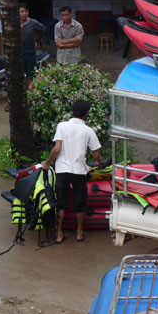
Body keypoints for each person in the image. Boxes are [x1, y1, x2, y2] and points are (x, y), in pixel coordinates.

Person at [41, 100, 103, 243]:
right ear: (86, 113)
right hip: (79, 171)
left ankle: (59, 234)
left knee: (61, 202)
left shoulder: (62, 126)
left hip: (62, 170)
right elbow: (96, 155)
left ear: (73, 111)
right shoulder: (88, 131)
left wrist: (47, 162)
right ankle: (80, 233)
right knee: (80, 203)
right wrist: (100, 161)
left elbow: (57, 149)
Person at [19, 3, 46, 90]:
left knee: (30, 75)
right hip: (18, 54)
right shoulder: (14, 24)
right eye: (21, 12)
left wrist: (37, 41)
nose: (24, 14)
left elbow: (43, 29)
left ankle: (31, 96)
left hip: (30, 53)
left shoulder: (33, 23)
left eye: (25, 12)